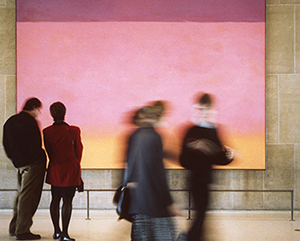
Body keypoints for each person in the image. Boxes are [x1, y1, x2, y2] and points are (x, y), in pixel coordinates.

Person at [178, 93, 234, 241]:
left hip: (206, 179)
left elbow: (219, 158)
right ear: (197, 109)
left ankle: (190, 237)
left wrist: (229, 156)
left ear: (210, 109)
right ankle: (188, 237)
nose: (203, 113)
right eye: (201, 109)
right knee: (201, 213)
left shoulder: (213, 130)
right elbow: (183, 160)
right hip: (195, 180)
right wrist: (197, 149)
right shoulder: (191, 131)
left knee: (202, 214)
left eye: (206, 110)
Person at [125, 104, 180, 241]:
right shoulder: (155, 136)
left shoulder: (135, 136)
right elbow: (158, 173)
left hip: (139, 202)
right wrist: (169, 202)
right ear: (158, 117)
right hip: (155, 204)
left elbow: (130, 167)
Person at [3, 97, 47, 240]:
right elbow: (36, 144)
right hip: (33, 165)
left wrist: (15, 159)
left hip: (19, 164)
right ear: (33, 107)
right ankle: (22, 230)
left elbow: (6, 144)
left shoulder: (10, 122)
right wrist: (37, 159)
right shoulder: (30, 122)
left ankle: (14, 227)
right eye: (38, 110)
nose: (38, 113)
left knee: (21, 195)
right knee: (29, 197)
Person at [43, 102, 83, 241]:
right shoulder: (74, 130)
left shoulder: (46, 131)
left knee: (55, 200)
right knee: (67, 201)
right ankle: (65, 233)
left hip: (55, 171)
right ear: (64, 113)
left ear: (52, 114)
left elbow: (49, 152)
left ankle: (56, 231)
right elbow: (78, 152)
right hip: (70, 171)